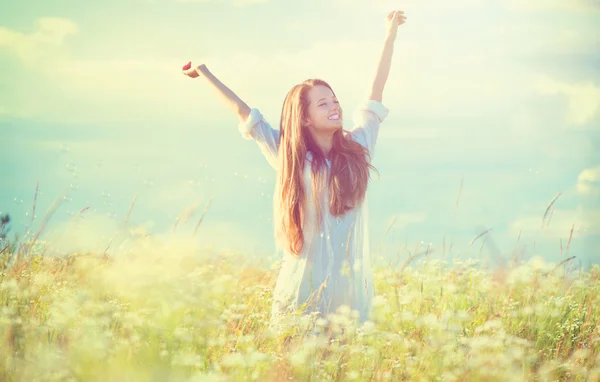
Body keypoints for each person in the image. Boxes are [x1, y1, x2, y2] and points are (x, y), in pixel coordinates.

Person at [183, 10, 407, 332]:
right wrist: (203, 72)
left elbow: (375, 89)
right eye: (323, 104)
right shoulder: (291, 157)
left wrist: (390, 32)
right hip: (301, 290)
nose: (335, 106)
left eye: (334, 100)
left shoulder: (359, 147)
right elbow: (244, 112)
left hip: (349, 294)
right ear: (304, 118)